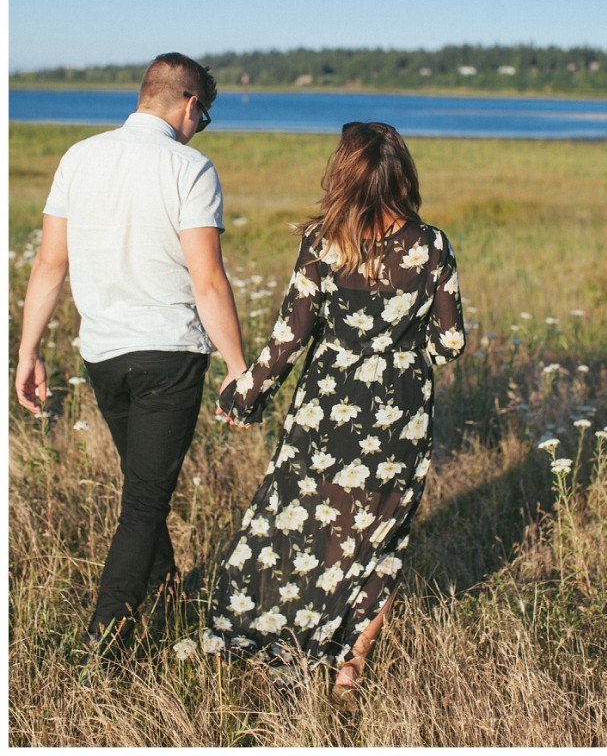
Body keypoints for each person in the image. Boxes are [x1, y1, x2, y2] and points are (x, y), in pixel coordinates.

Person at [207, 121, 465, 710]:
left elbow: (290, 335)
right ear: (402, 173)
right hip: (402, 415)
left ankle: (289, 650)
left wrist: (244, 395)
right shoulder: (432, 246)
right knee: (380, 538)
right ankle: (350, 667)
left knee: (309, 530)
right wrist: (404, 340)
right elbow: (451, 345)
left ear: (344, 173)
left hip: (325, 412)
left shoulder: (323, 242)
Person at [15, 52, 247, 662]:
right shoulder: (191, 167)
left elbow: (49, 264)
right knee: (144, 500)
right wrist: (238, 367)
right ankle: (105, 642)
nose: (202, 128)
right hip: (169, 355)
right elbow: (209, 281)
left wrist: (28, 351)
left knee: (145, 487)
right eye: (206, 117)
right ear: (190, 105)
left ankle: (166, 587)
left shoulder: (78, 157)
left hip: (103, 356)